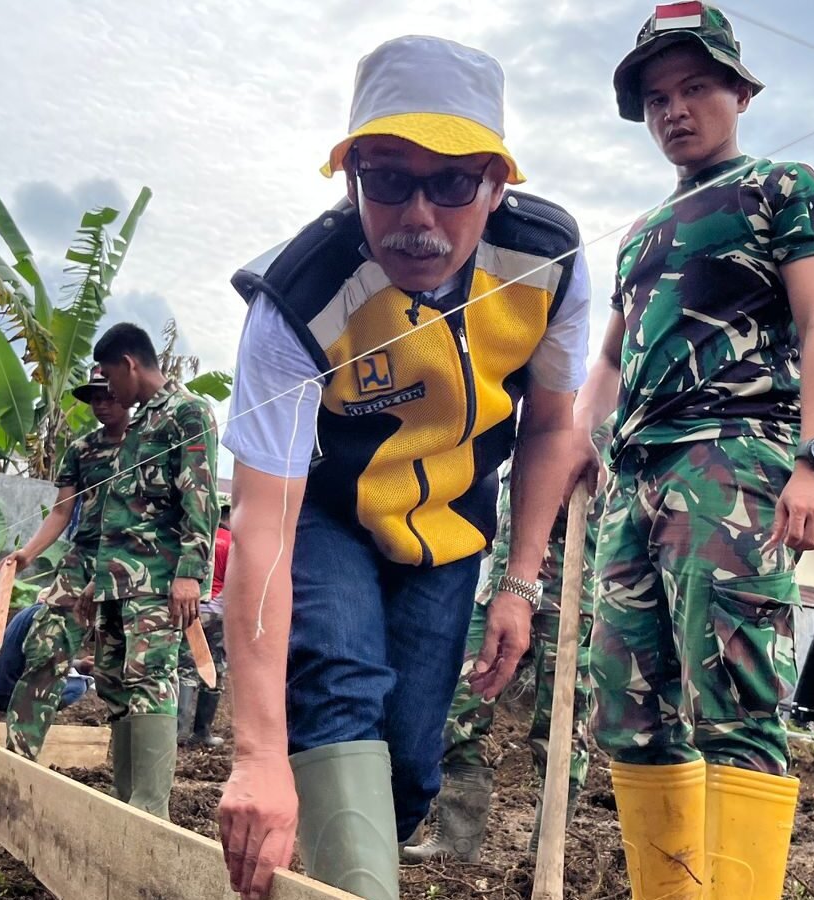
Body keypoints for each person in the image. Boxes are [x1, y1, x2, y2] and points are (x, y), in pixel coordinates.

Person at [216, 36, 591, 900]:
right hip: (328, 515)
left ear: (498, 185)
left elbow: (548, 428)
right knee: (340, 685)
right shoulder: (299, 298)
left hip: (452, 526)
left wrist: (521, 582)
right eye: (387, 178)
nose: (418, 215)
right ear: (353, 183)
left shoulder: (550, 260)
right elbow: (262, 523)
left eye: (453, 182)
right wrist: (258, 757)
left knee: (414, 762)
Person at [572, 6, 814, 899]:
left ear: (738, 90)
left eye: (695, 87)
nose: (675, 111)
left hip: (731, 462)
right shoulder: (640, 233)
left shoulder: (783, 186)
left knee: (734, 705)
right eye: (657, 98)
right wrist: (585, 439)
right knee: (626, 710)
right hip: (636, 476)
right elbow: (612, 356)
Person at [403, 424, 610, 863]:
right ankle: (457, 844)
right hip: (499, 593)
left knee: (559, 728)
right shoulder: (523, 431)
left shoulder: (601, 433)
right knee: (460, 707)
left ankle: (544, 855)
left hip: (572, 600)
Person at [90, 323, 221, 818]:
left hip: (157, 579)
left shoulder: (187, 412)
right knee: (115, 682)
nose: (108, 389)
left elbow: (200, 494)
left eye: (108, 375)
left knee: (149, 678)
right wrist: (93, 581)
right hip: (116, 581)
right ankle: (127, 799)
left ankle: (149, 807)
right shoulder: (138, 424)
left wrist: (190, 572)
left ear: (129, 364)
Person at [0, 374, 129, 760]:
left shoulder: (147, 443)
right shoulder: (82, 449)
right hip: (82, 559)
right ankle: (19, 757)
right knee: (46, 647)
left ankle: (128, 767)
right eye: (93, 398)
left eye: (108, 396)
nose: (101, 404)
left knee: (121, 666)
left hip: (132, 561)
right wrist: (28, 553)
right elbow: (61, 511)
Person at [0, 597, 95, 713]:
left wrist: (79, 664)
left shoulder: (29, 613)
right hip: (11, 694)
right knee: (78, 686)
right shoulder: (47, 619)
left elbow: (26, 656)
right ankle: (31, 718)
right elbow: (41, 663)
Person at [178, 510, 231, 748]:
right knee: (215, 669)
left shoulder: (201, 541)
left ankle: (178, 731)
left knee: (187, 667)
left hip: (195, 609)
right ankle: (201, 733)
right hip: (220, 612)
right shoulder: (232, 543)